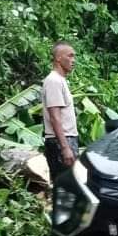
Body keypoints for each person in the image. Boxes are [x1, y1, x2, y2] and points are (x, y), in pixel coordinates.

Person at [42, 41, 78, 184]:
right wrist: (65, 148)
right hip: (61, 141)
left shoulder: (60, 80)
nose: (73, 60)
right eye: (70, 56)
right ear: (58, 58)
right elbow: (55, 117)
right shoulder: (53, 81)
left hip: (66, 140)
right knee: (65, 187)